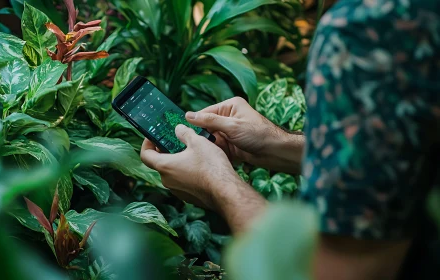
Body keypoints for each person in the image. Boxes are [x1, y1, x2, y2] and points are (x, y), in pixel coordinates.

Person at [140, 0, 440, 279]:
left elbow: (329, 271)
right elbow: (401, 155)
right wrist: (276, 143)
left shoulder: (366, 27)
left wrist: (217, 185)